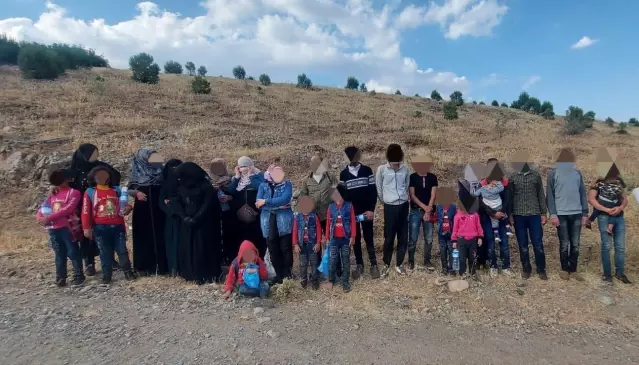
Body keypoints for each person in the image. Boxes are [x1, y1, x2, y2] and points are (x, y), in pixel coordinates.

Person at [68, 143, 121, 276]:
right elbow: (65, 184)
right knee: (87, 235)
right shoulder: (75, 170)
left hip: (102, 205)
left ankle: (110, 260)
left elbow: (116, 175)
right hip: (83, 207)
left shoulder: (101, 166)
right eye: (93, 153)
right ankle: (89, 263)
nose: (96, 155)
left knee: (106, 232)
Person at [81, 165, 136, 284]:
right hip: (100, 227)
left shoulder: (117, 190)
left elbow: (127, 204)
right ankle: (107, 275)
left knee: (122, 250)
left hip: (118, 226)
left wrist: (128, 208)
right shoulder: (90, 192)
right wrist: (86, 228)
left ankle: (128, 272)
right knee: (104, 252)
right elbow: (85, 211)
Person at [173, 162, 221, 284]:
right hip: (187, 222)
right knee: (188, 247)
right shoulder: (181, 185)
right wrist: (184, 217)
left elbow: (207, 204)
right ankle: (190, 273)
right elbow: (177, 203)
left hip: (203, 223)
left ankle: (206, 274)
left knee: (202, 248)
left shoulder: (205, 186)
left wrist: (197, 218)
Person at [36, 168, 85, 287]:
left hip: (67, 227)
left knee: (73, 252)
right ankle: (60, 277)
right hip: (53, 228)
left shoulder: (74, 192)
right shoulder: (54, 192)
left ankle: (79, 275)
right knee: (59, 253)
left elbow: (68, 209)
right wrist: (39, 217)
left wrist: (49, 218)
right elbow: (44, 206)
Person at [546, 156, 589, 281]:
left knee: (575, 244)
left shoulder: (577, 174)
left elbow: (582, 194)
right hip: (561, 214)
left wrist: (585, 213)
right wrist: (553, 214)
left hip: (577, 213)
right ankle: (564, 269)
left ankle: (573, 269)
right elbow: (550, 196)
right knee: (564, 243)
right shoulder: (553, 174)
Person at [339, 146, 379, 279]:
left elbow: (373, 192)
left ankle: (374, 265)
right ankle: (360, 265)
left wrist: (371, 210)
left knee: (369, 238)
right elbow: (343, 196)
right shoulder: (343, 174)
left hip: (366, 212)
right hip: (353, 215)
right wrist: (348, 215)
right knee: (355, 239)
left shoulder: (367, 170)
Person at [588, 165, 631, 284]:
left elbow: (625, 199)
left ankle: (620, 273)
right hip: (604, 217)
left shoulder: (619, 182)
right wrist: (606, 210)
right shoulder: (598, 182)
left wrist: (620, 207)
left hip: (619, 217)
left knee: (620, 247)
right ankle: (607, 274)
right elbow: (591, 199)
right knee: (606, 246)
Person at [128, 148, 167, 276]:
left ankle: (162, 265)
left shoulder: (162, 170)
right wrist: (136, 193)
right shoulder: (137, 171)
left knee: (161, 235)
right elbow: (128, 189)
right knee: (143, 236)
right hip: (143, 209)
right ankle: (144, 267)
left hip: (160, 209)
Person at [299, 155, 339, 278]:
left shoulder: (330, 176)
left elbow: (338, 193)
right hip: (313, 218)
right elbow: (303, 197)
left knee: (332, 242)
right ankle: (316, 272)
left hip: (329, 216)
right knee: (314, 245)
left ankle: (335, 270)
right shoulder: (306, 180)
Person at [508, 160, 548, 280]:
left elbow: (540, 194)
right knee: (523, 245)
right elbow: (509, 197)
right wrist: (510, 215)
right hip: (518, 215)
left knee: (538, 244)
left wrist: (543, 213)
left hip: (534, 214)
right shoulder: (512, 177)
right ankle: (526, 269)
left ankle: (541, 270)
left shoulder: (536, 176)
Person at [376, 144, 410, 277]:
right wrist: (385, 201)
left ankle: (399, 264)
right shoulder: (382, 169)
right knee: (389, 237)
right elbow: (379, 188)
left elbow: (406, 185)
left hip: (403, 206)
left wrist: (403, 198)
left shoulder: (405, 169)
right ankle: (386, 264)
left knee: (403, 237)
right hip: (390, 207)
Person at [256, 165, 293, 283]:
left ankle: (287, 275)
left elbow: (285, 199)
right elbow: (257, 203)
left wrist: (266, 202)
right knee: (273, 249)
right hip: (267, 221)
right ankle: (278, 274)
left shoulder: (288, 185)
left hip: (284, 220)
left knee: (285, 248)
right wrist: (275, 204)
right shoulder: (263, 185)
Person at [476, 159, 512, 277]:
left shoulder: (504, 183)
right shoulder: (482, 184)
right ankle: (493, 266)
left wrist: (501, 212)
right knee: (490, 240)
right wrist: (492, 213)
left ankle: (506, 266)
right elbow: (480, 202)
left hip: (502, 217)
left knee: (504, 241)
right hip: (487, 217)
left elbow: (507, 200)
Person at [227, 156, 267, 257]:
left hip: (255, 214)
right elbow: (231, 191)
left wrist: (250, 176)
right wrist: (236, 177)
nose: (242, 168)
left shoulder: (260, 176)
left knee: (256, 237)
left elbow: (261, 187)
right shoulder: (237, 179)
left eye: (245, 166)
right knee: (242, 238)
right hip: (240, 214)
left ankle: (259, 258)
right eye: (240, 166)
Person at [408, 158, 438, 271]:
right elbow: (412, 195)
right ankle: (411, 261)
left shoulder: (433, 177)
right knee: (413, 238)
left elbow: (433, 195)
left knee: (429, 238)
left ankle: (427, 260)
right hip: (416, 211)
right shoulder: (412, 177)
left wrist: (428, 209)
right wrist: (424, 207)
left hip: (429, 211)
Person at [325, 184, 356, 292]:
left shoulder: (349, 206)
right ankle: (331, 279)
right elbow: (328, 222)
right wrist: (327, 237)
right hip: (334, 239)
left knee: (346, 260)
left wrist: (353, 236)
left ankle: (345, 281)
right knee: (333, 260)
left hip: (346, 239)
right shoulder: (331, 207)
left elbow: (353, 221)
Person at [210, 158, 240, 265]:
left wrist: (230, 198)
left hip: (230, 214)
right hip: (214, 214)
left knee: (230, 237)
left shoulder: (232, 178)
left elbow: (238, 195)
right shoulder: (209, 181)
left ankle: (231, 261)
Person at [158, 159, 183, 277]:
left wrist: (172, 203)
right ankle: (173, 268)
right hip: (171, 219)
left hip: (183, 218)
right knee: (172, 243)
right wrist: (171, 210)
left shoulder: (185, 182)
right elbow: (161, 202)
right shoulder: (165, 184)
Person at [292, 196, 322, 290]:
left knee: (314, 262)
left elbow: (318, 230)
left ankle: (314, 280)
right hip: (302, 245)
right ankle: (303, 279)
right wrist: (295, 244)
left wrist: (318, 243)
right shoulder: (297, 217)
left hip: (312, 244)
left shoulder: (314, 216)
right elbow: (295, 231)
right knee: (303, 263)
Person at [451, 199, 483, 280]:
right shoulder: (457, 216)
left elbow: (479, 226)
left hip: (472, 240)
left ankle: (473, 274)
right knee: (462, 259)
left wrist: (480, 237)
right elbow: (455, 229)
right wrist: (454, 240)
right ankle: (463, 274)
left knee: (472, 258)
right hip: (461, 240)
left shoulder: (475, 215)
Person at [472, 179, 512, 243]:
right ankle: (497, 235)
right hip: (490, 211)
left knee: (503, 218)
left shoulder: (487, 188)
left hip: (499, 208)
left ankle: (505, 231)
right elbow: (479, 200)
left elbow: (507, 199)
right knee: (496, 222)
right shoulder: (486, 187)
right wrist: (493, 213)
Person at [435, 193, 456, 275]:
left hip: (451, 233)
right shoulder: (438, 206)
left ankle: (451, 269)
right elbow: (436, 217)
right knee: (443, 250)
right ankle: (444, 268)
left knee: (451, 250)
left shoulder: (453, 207)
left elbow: (455, 220)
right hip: (441, 232)